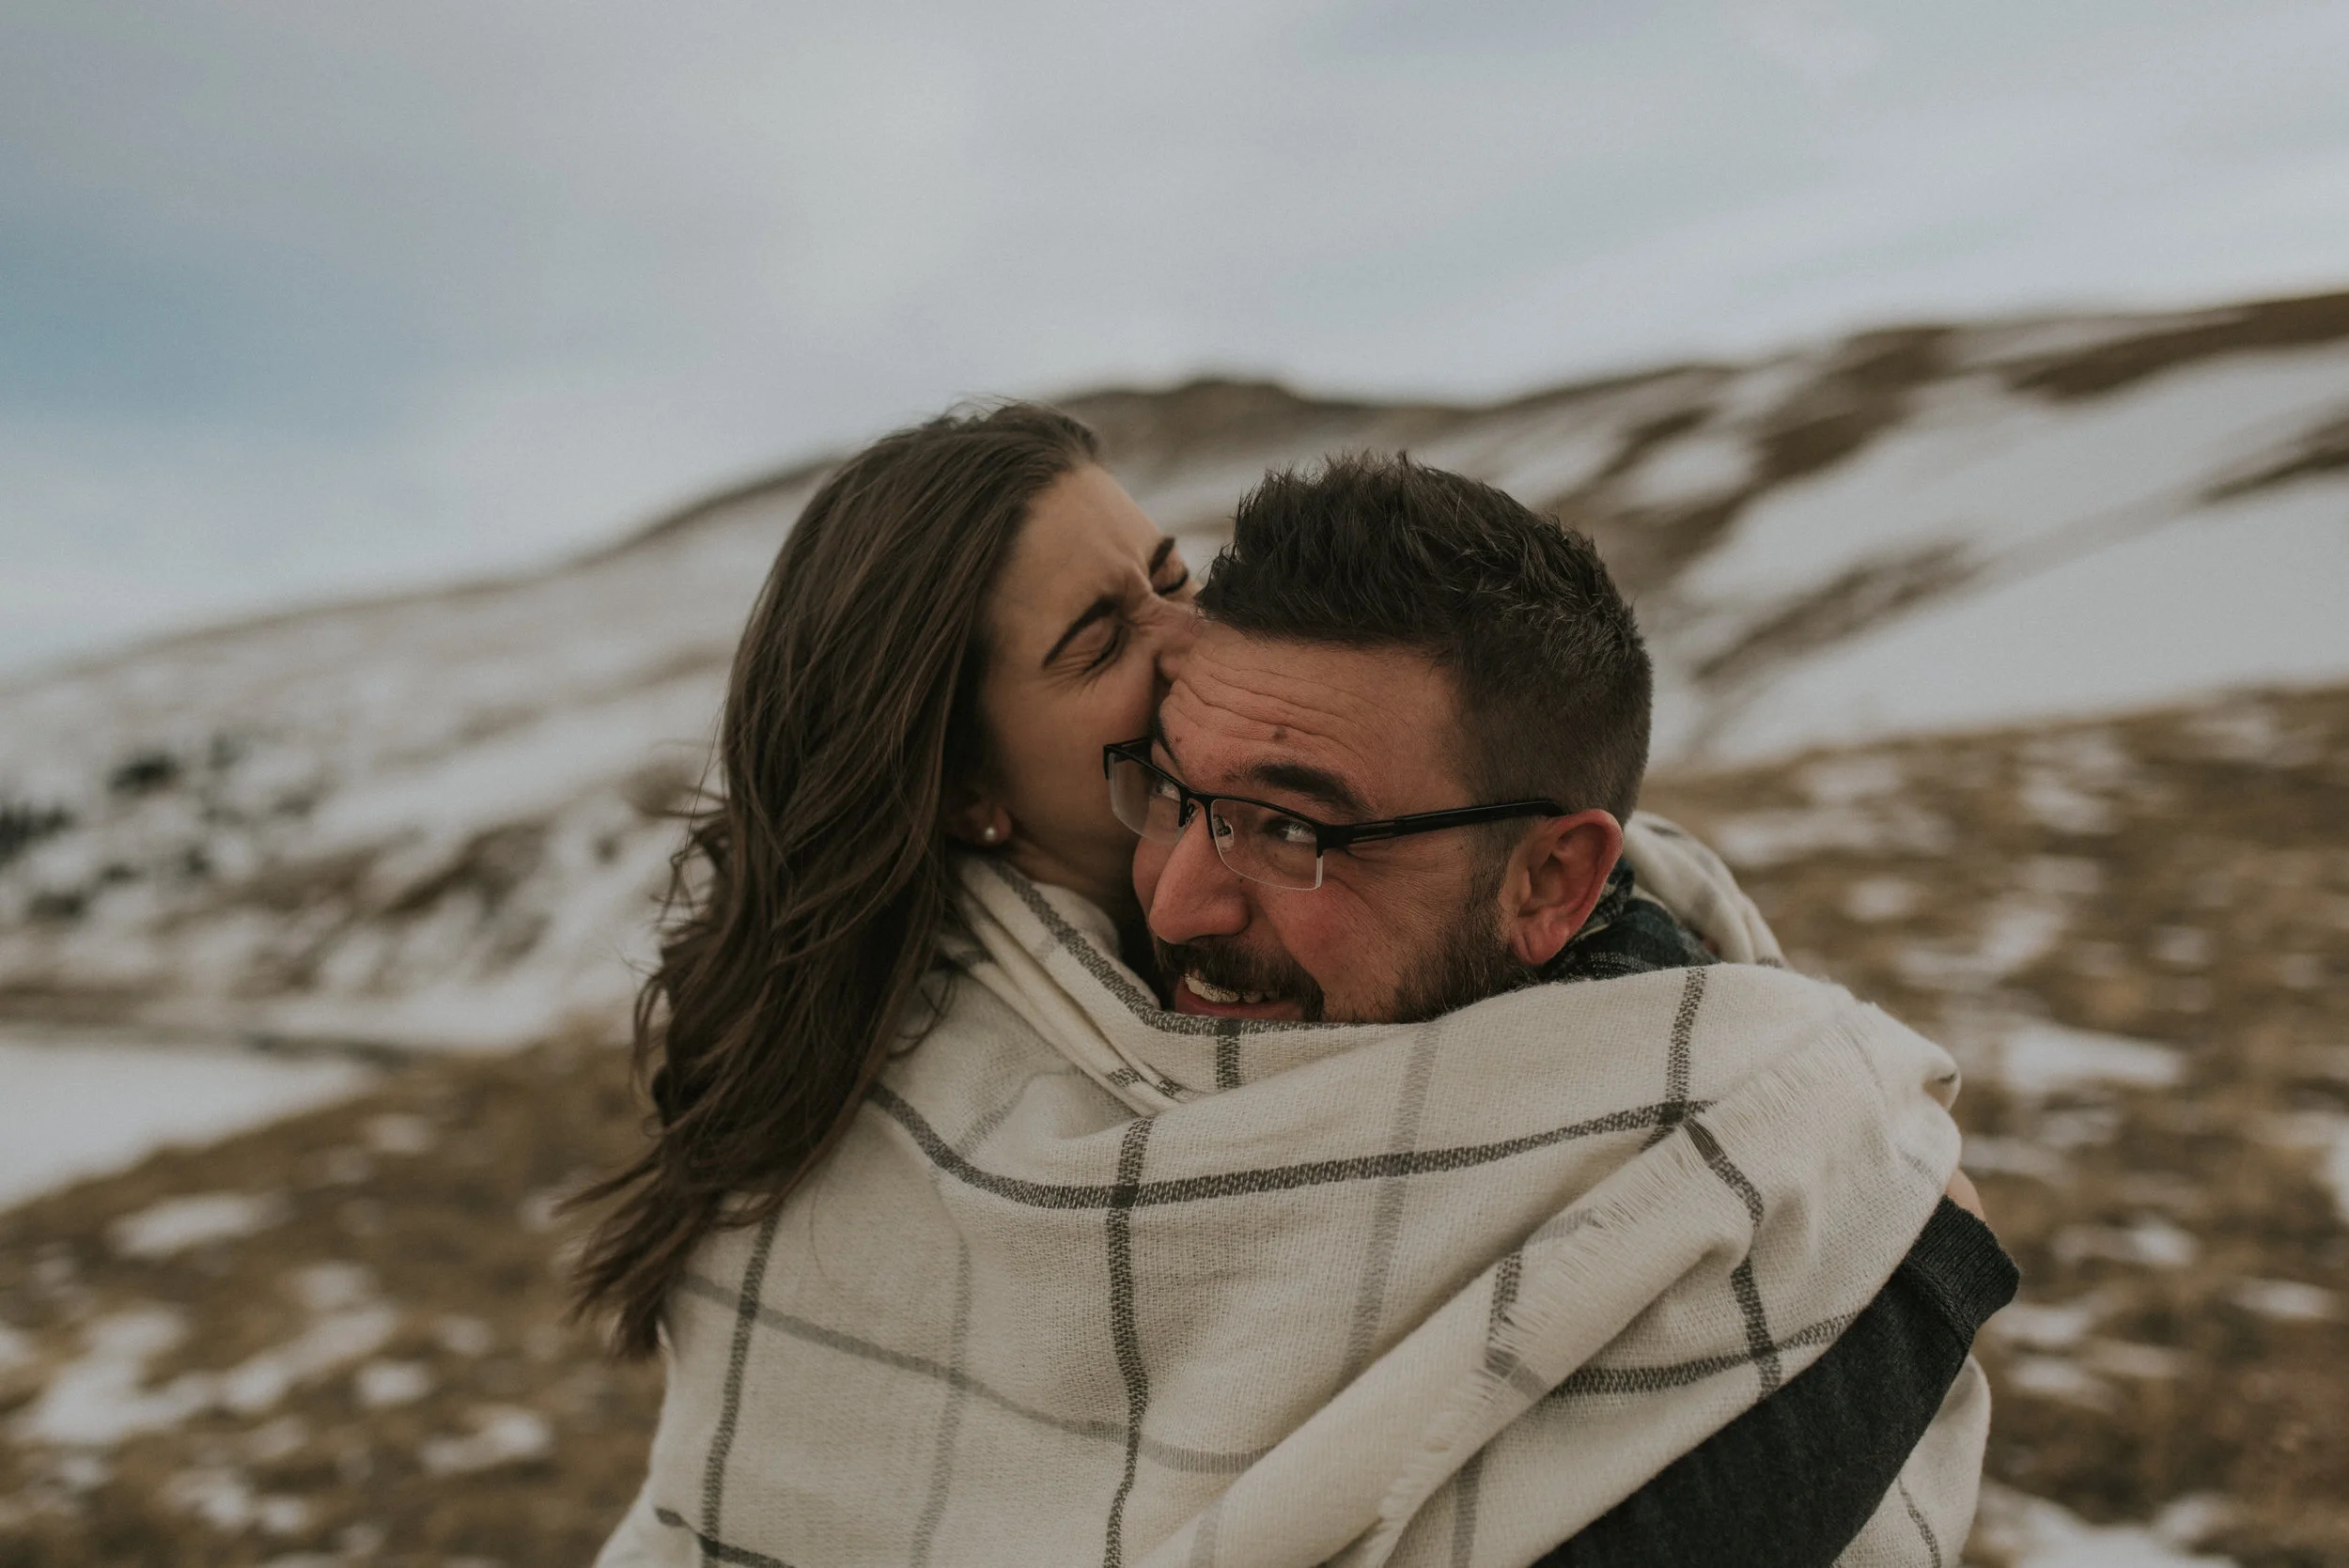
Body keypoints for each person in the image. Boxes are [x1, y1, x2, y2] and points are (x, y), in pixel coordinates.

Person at [583, 409, 2008, 1568]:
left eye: (1170, 578)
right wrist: (1913, 1283)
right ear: (963, 791)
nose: (1188, 639)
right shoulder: (903, 1108)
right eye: (1099, 641)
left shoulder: (1576, 941)